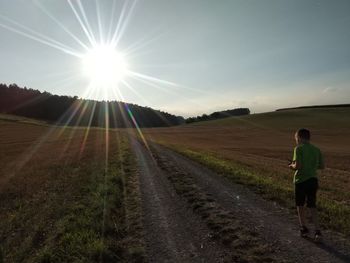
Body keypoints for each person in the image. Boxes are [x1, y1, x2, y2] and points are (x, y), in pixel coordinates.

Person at [289, 128, 325, 241]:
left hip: (300, 181)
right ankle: (318, 232)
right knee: (312, 206)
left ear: (299, 137)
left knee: (300, 205)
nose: (296, 140)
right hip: (313, 180)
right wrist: (311, 166)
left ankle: (304, 228)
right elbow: (321, 166)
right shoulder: (316, 149)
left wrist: (291, 166)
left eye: (296, 138)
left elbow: (298, 166)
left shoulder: (298, 148)